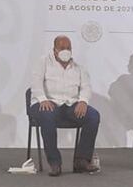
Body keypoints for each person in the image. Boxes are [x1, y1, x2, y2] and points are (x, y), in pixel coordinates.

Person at [29, 35, 101, 177]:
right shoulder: (43, 62)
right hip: (46, 103)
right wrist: (42, 99)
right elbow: (35, 83)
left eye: (68, 48)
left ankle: (81, 160)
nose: (66, 51)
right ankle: (55, 163)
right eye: (62, 48)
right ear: (54, 50)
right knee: (47, 114)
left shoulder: (79, 68)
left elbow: (86, 87)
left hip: (69, 105)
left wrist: (83, 101)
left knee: (93, 116)